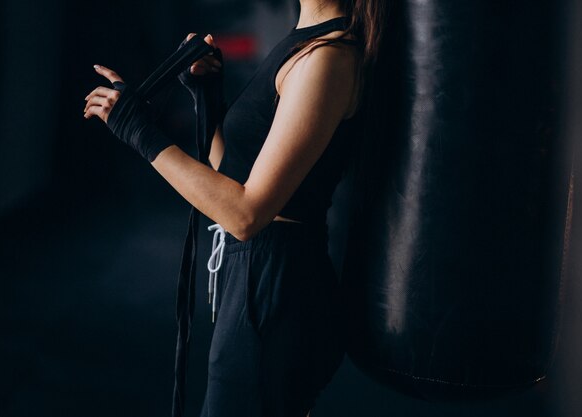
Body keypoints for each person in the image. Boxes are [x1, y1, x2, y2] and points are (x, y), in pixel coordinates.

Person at [83, 0, 388, 416]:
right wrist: (206, 96)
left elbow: (246, 214)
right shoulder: (303, 47)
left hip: (277, 286)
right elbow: (233, 178)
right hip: (255, 279)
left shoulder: (328, 59)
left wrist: (137, 131)